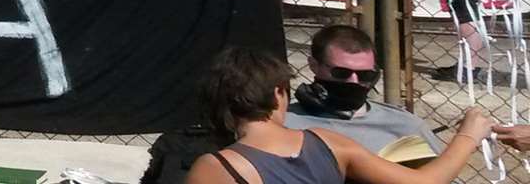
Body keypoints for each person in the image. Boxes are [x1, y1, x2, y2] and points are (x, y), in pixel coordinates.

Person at [186, 45, 487, 184]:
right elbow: (425, 182)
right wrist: (468, 135)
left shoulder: (215, 168)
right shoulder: (328, 142)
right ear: (279, 92)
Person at [285, 25, 442, 156]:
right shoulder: (283, 122)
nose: (353, 82)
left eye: (365, 75)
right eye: (341, 73)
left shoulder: (405, 126)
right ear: (314, 65)